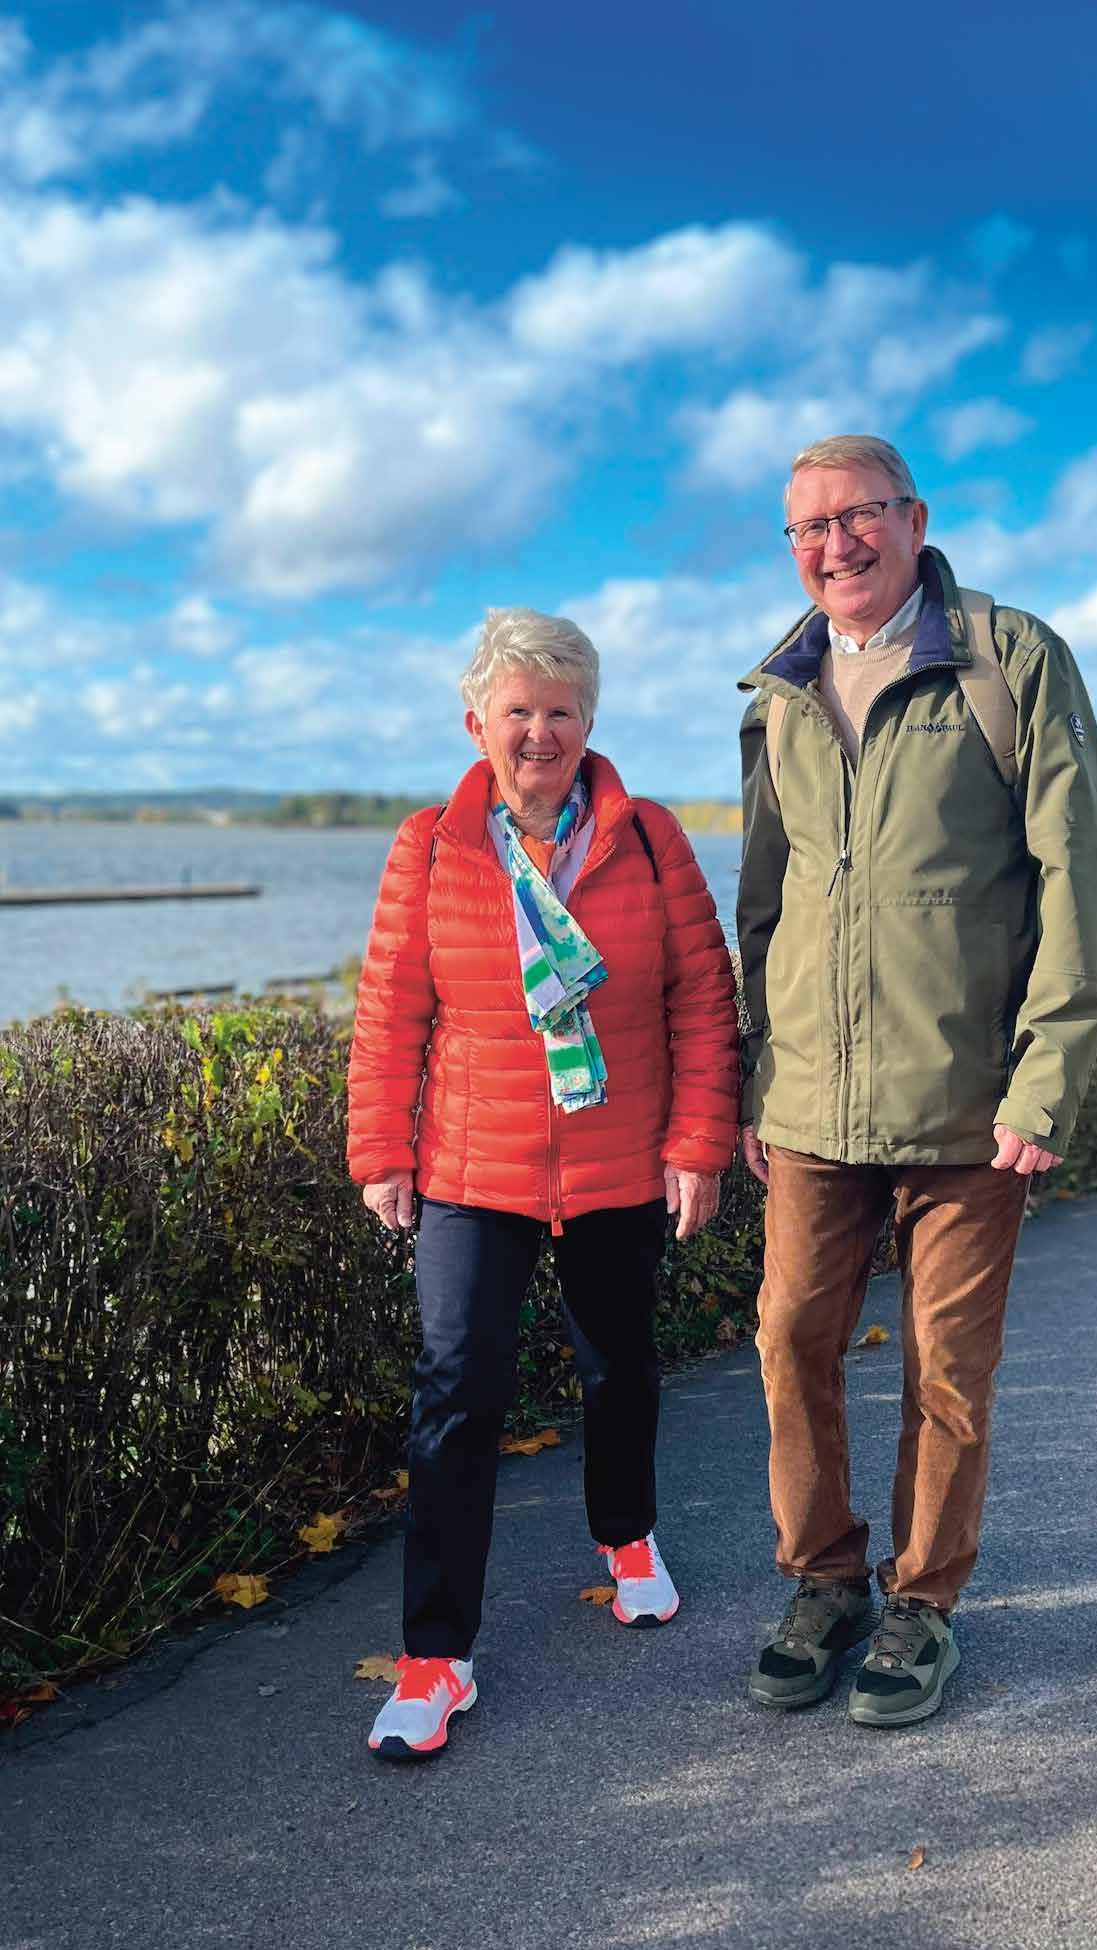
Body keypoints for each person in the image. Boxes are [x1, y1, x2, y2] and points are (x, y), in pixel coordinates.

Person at [737, 435, 1097, 1727]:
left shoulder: (1012, 660)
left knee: (946, 1366)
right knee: (790, 1339)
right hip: (811, 1101)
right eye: (808, 527)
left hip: (968, 1097)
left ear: (915, 518)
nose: (834, 545)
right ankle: (825, 1578)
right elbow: (766, 901)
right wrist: (757, 1071)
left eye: (858, 516)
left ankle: (923, 1602)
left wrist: (1045, 1074)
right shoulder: (779, 692)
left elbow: (1074, 875)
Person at [348, 606, 739, 1761]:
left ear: (589, 721)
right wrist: (381, 1151)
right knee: (455, 1391)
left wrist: (698, 1144)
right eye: (517, 709)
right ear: (476, 722)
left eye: (560, 710)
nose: (539, 732)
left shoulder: (649, 839)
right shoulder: (430, 846)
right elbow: (390, 1008)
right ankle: (435, 1656)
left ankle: (626, 1532)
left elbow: (701, 998)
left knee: (619, 1363)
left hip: (620, 1156)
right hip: (473, 1165)